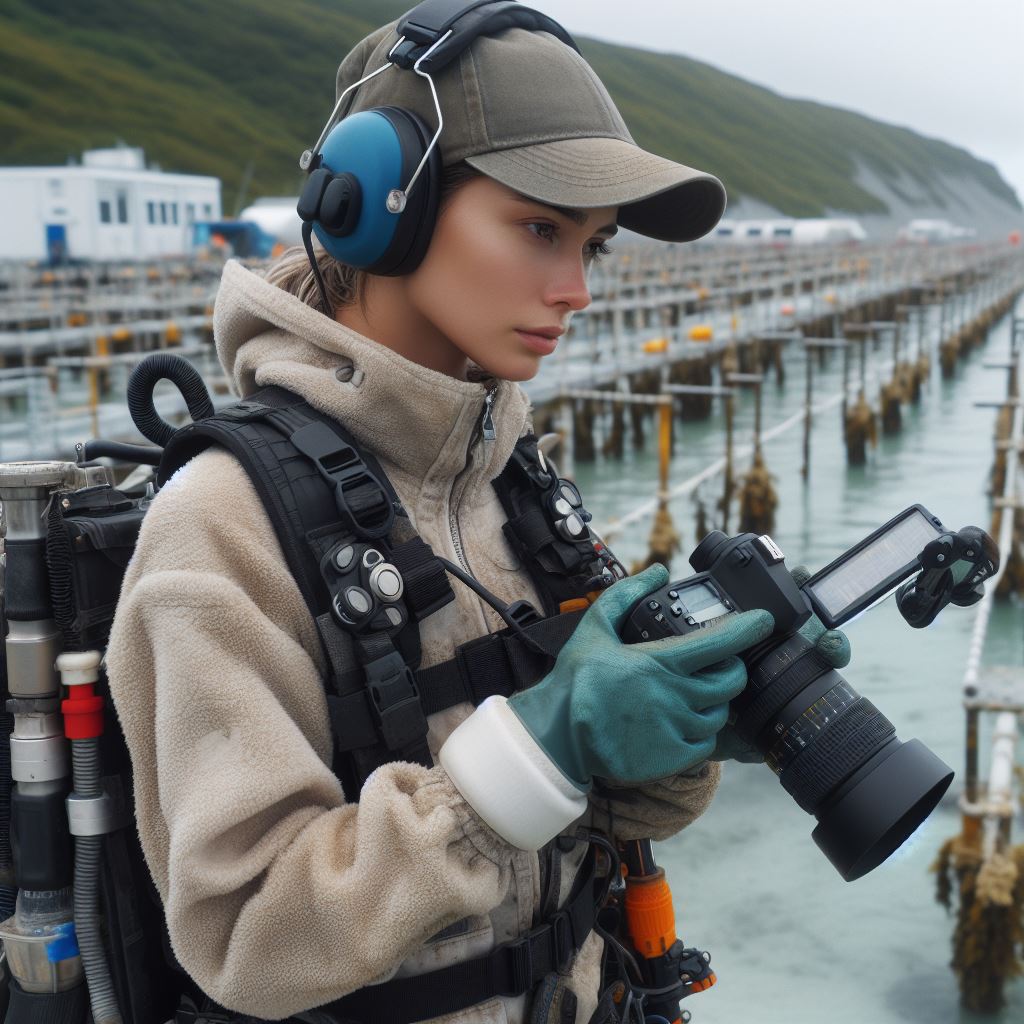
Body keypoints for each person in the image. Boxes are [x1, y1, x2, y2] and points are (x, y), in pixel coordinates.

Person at [106, 5, 846, 1023]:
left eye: (595, 246)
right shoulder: (221, 521)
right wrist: (536, 750)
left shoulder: (514, 479)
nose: (577, 288)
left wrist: (692, 725)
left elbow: (594, 818)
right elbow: (246, 935)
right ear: (380, 207)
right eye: (539, 228)